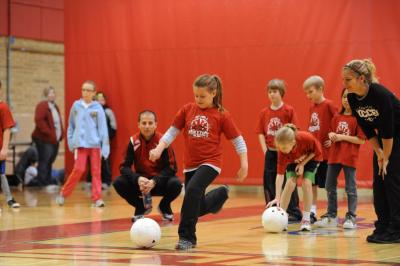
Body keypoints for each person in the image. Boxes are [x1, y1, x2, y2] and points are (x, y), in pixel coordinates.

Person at [149, 74, 248, 250]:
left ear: (213, 93)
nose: (198, 99)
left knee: (192, 191)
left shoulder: (222, 115)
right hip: (190, 164)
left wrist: (244, 164)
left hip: (211, 163)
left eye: (202, 96)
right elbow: (172, 132)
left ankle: (187, 238)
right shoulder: (187, 109)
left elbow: (237, 140)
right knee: (195, 203)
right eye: (196, 95)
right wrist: (158, 148)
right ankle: (217, 197)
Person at [343, 58, 400, 244]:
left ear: (361, 78)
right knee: (379, 182)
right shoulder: (352, 97)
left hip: (394, 136)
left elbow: (388, 129)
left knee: (391, 179)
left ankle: (396, 229)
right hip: (383, 139)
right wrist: (378, 153)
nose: (344, 83)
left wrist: (387, 157)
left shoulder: (380, 94)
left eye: (348, 79)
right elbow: (367, 129)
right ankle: (383, 226)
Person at [113, 110, 182, 222]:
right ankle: (140, 207)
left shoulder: (163, 141)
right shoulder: (133, 141)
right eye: (144, 123)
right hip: (141, 184)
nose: (147, 126)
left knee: (176, 184)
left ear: (156, 124)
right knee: (118, 183)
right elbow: (124, 167)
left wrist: (154, 181)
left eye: (150, 123)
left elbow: (172, 168)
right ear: (138, 125)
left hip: (158, 183)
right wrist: (138, 179)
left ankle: (164, 206)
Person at [315, 88, 365, 229]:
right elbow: (332, 132)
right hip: (334, 156)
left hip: (349, 157)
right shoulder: (336, 117)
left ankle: (351, 217)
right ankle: (332, 216)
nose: (346, 100)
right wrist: (331, 137)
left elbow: (360, 140)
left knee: (350, 188)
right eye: (344, 97)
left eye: (349, 97)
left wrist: (341, 137)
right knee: (329, 185)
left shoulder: (357, 118)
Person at [56, 80, 109, 207]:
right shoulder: (76, 106)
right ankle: (63, 194)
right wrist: (70, 142)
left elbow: (103, 128)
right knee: (79, 169)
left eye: (88, 90)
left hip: (95, 145)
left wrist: (105, 148)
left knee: (96, 172)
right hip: (80, 145)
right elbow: (71, 126)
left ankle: (97, 198)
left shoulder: (98, 108)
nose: (85, 92)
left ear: (94, 93)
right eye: (83, 90)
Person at [256, 79, 302, 222]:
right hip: (271, 152)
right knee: (269, 181)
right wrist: (265, 151)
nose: (271, 94)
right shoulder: (264, 113)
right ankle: (272, 208)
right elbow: (260, 133)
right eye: (269, 92)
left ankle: (293, 211)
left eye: (275, 91)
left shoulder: (289, 110)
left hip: (286, 152)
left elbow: (295, 130)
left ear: (281, 93)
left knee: (289, 180)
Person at [267, 124, 323, 231]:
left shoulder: (306, 138)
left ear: (293, 142)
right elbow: (279, 175)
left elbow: (317, 152)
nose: (281, 150)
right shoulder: (282, 152)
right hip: (293, 160)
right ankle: (282, 218)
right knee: (290, 183)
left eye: (283, 148)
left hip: (312, 158)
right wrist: (277, 197)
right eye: (279, 148)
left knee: (306, 183)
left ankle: (306, 219)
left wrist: (302, 163)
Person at [303, 75, 338, 222]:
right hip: (313, 153)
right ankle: (312, 211)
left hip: (326, 154)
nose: (308, 95)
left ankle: (331, 211)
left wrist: (333, 139)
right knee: (312, 183)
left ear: (320, 89)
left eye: (310, 92)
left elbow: (340, 121)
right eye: (306, 93)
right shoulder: (312, 107)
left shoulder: (329, 105)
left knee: (328, 185)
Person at [32, 86, 64, 186]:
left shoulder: (55, 106)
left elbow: (58, 122)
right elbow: (39, 120)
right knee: (44, 161)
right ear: (46, 95)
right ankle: (42, 183)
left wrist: (61, 133)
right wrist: (50, 133)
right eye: (50, 93)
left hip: (54, 140)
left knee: (50, 161)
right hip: (44, 139)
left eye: (53, 93)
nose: (52, 95)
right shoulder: (42, 105)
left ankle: (48, 181)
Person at [86, 91, 117, 190]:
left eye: (102, 99)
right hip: (93, 141)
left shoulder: (108, 111)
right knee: (92, 161)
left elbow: (114, 127)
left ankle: (106, 181)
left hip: (104, 141)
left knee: (105, 160)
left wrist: (107, 137)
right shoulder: (91, 111)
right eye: (98, 99)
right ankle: (91, 181)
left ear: (104, 100)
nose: (100, 101)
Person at [0, 80, 20, 210]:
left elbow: (7, 129)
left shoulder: (3, 107)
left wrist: (4, 148)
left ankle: (9, 198)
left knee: (1, 174)